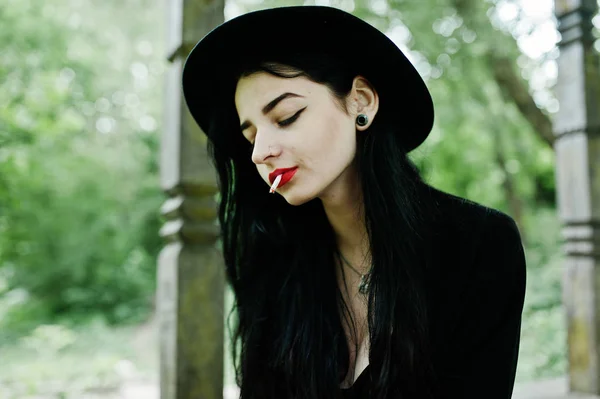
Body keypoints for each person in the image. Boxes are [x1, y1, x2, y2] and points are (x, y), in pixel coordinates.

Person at [181, 6, 527, 399]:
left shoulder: (478, 245)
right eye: (250, 137)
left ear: (361, 101)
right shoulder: (274, 261)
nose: (260, 152)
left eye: (286, 116)